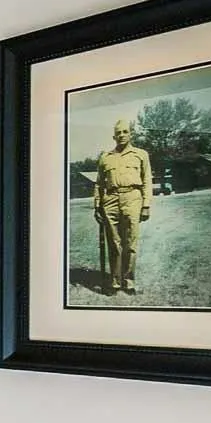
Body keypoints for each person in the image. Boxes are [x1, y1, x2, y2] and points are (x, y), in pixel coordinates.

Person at [94, 118, 151, 295]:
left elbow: (147, 179)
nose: (122, 135)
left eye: (125, 131)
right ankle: (115, 282)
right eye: (118, 132)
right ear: (114, 136)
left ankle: (129, 282)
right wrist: (97, 205)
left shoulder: (141, 154)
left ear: (130, 134)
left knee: (130, 243)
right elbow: (98, 184)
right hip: (110, 200)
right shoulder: (105, 157)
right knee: (114, 243)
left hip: (133, 198)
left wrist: (146, 204)